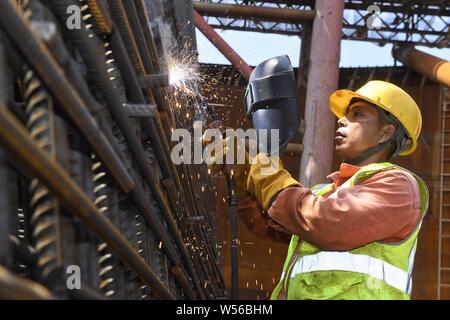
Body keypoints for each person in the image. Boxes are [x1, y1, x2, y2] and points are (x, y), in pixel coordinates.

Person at [206, 80, 429, 300]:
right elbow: (268, 224)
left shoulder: (397, 187)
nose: (342, 120)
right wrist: (244, 174)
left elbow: (325, 223)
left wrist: (262, 168)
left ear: (386, 133)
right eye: (346, 114)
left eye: (357, 115)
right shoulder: (325, 193)